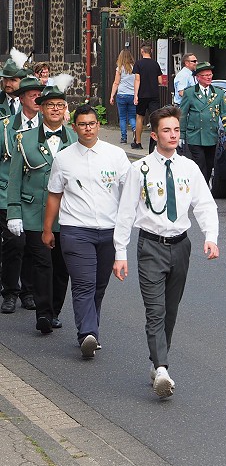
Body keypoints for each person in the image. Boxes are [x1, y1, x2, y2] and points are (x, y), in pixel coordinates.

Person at [113, 106, 220, 399]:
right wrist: (120, 253)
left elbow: (204, 205)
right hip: (151, 246)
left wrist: (211, 237)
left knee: (170, 310)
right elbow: (125, 213)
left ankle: (157, 360)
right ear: (154, 135)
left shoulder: (189, 168)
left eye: (176, 130)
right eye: (166, 130)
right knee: (155, 310)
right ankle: (162, 368)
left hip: (180, 245)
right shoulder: (140, 169)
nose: (173, 135)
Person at [42, 105, 130, 357]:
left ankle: (91, 332)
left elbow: (131, 191)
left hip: (108, 231)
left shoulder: (116, 155)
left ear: (98, 125)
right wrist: (47, 229)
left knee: (99, 286)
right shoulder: (64, 158)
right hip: (76, 230)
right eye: (82, 124)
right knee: (84, 285)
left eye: (92, 123)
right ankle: (87, 334)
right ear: (74, 127)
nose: (88, 128)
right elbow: (54, 195)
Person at [7, 85, 77, 334]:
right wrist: (14, 212)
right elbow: (15, 179)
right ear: (42, 108)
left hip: (67, 214)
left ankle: (54, 311)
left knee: (61, 267)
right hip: (34, 213)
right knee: (42, 263)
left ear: (65, 109)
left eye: (59, 105)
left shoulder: (76, 139)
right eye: (50, 105)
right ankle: (44, 313)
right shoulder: (24, 139)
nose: (55, 110)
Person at [0, 75, 40, 314]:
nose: (37, 99)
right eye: (32, 95)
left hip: (36, 197)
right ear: (21, 98)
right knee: (15, 243)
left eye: (39, 95)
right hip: (9, 195)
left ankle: (28, 291)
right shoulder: (6, 125)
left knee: (33, 245)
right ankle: (10, 292)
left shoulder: (47, 126)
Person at [180, 62, 226, 185]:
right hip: (195, 135)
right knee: (200, 163)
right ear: (198, 77)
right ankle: (200, 188)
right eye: (205, 75)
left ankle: (202, 187)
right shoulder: (190, 92)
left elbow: (225, 113)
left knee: (209, 164)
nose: (209, 77)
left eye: (210, 75)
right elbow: (182, 114)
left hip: (211, 134)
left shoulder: (218, 93)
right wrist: (181, 134)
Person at [132, 44, 163, 151]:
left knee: (139, 117)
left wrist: (135, 95)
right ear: (151, 51)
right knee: (155, 118)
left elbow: (137, 80)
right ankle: (154, 143)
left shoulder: (138, 64)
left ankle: (138, 142)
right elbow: (160, 81)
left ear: (142, 51)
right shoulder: (155, 64)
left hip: (142, 94)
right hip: (154, 94)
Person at [109, 48, 137, 145]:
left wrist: (112, 96)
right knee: (132, 116)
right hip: (132, 95)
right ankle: (135, 130)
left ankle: (123, 138)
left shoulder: (119, 68)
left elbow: (116, 83)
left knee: (122, 118)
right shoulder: (135, 68)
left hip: (121, 95)